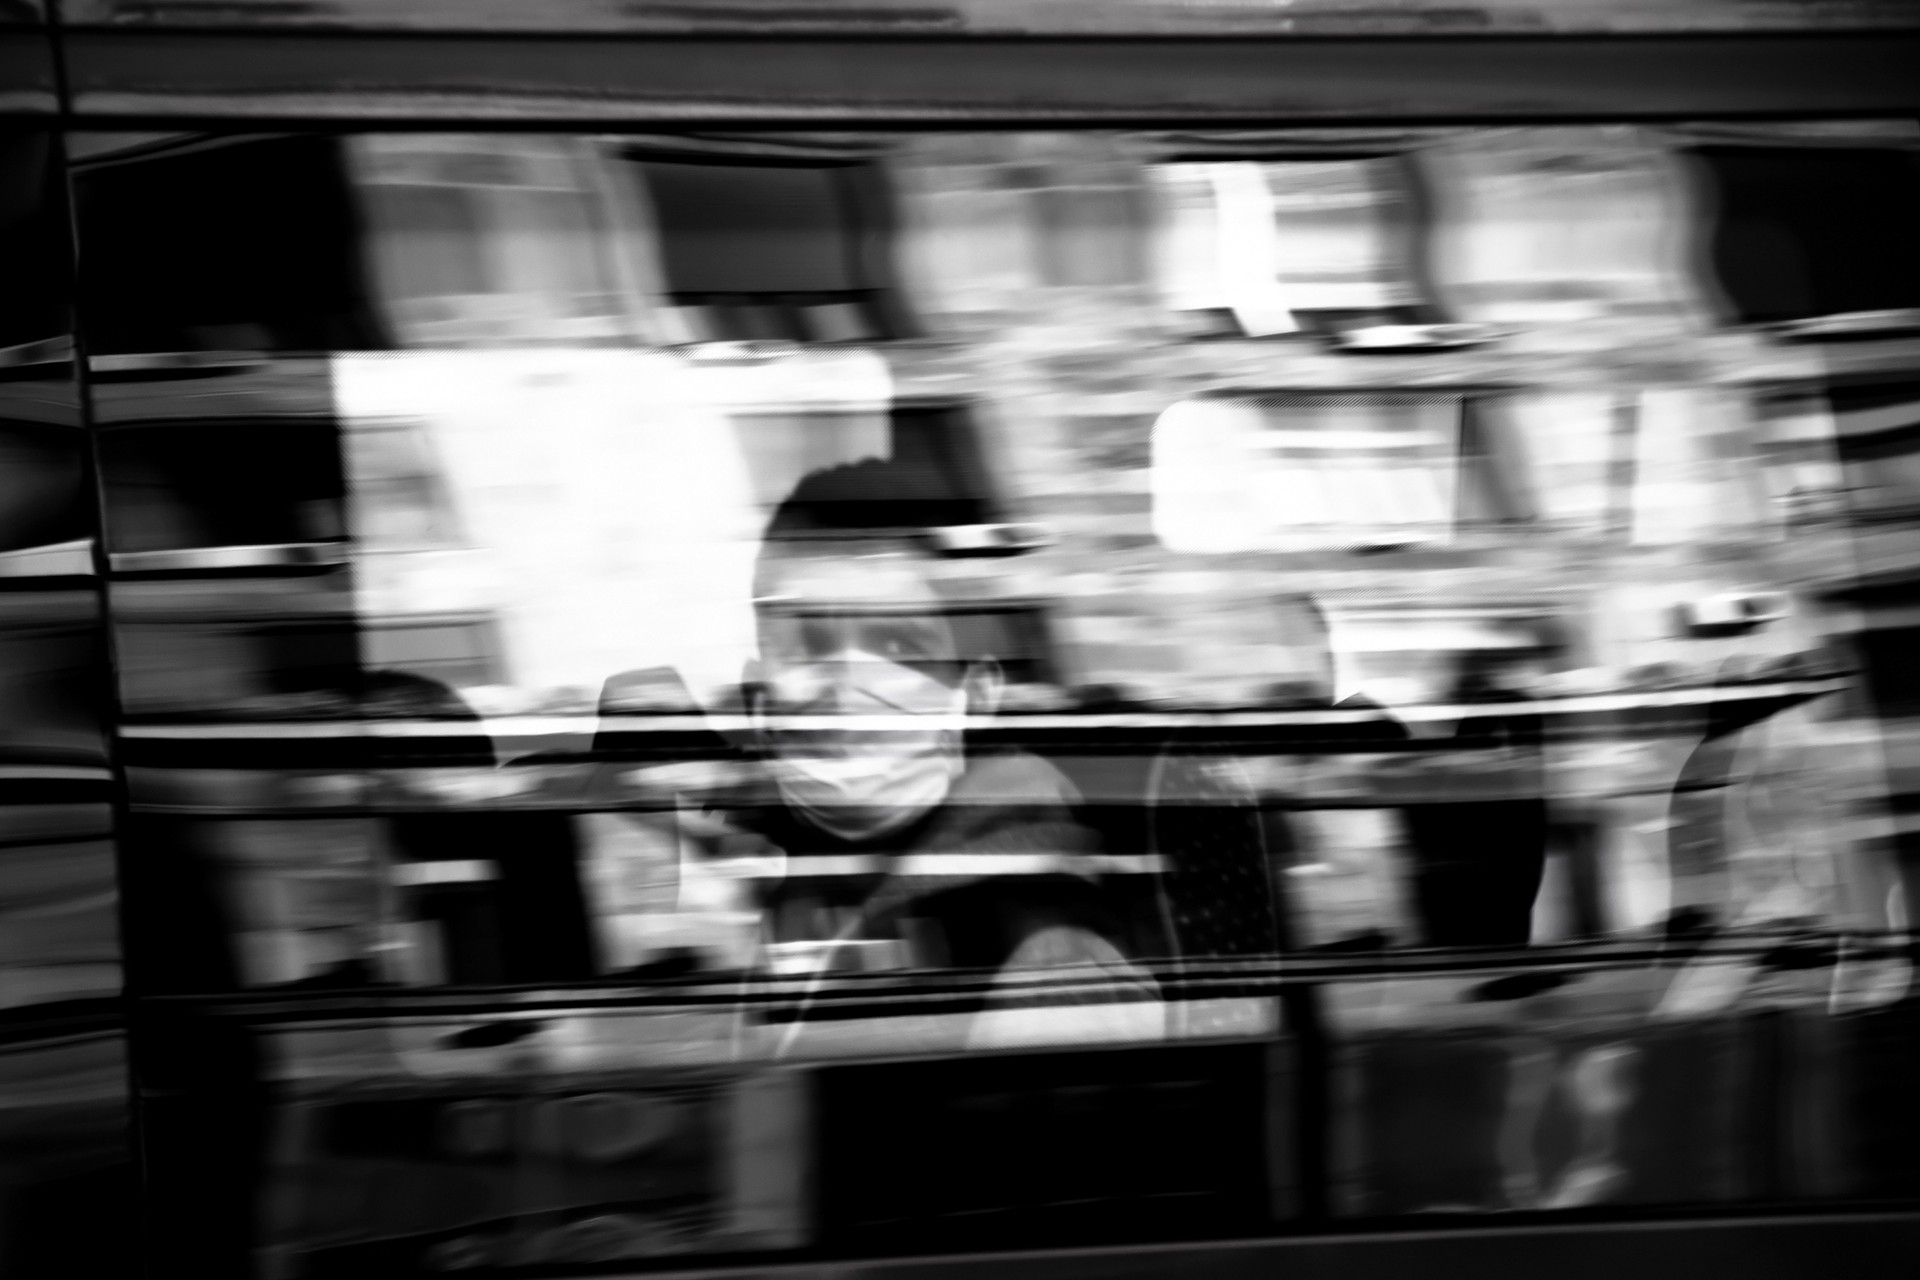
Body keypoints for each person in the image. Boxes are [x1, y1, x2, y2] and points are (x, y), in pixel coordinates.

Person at [718, 458, 1162, 1047]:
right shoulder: (804, 877)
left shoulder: (1049, 957)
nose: (849, 684)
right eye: (808, 643)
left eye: (899, 644)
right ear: (758, 693)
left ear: (975, 696)